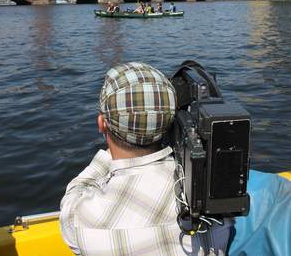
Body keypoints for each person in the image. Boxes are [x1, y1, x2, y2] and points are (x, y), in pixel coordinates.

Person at [60, 62, 232, 256]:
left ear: (101, 124)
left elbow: (76, 191)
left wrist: (109, 154)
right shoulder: (214, 193)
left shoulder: (84, 219)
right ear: (172, 121)